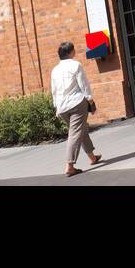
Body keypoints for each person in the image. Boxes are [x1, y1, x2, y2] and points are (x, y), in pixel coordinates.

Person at [50, 41, 101, 176]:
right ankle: (69, 166)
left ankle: (92, 157)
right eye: (73, 50)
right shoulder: (76, 65)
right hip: (76, 103)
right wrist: (90, 100)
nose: (75, 52)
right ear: (69, 53)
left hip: (61, 107)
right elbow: (83, 85)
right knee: (75, 134)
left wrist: (56, 107)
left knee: (80, 130)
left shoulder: (55, 70)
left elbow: (54, 91)